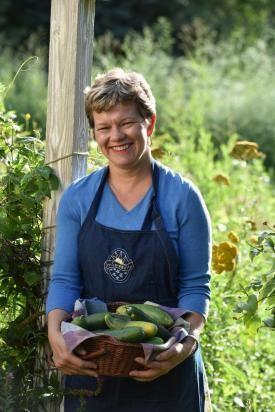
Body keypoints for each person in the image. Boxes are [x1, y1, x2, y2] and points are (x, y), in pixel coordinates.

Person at [46, 67, 212, 411]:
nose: (115, 136)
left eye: (126, 123)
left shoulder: (181, 198)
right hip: (93, 368)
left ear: (149, 124)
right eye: (104, 127)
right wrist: (56, 335)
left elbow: (196, 288)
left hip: (168, 370)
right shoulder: (79, 199)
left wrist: (186, 345)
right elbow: (65, 279)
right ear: (95, 133)